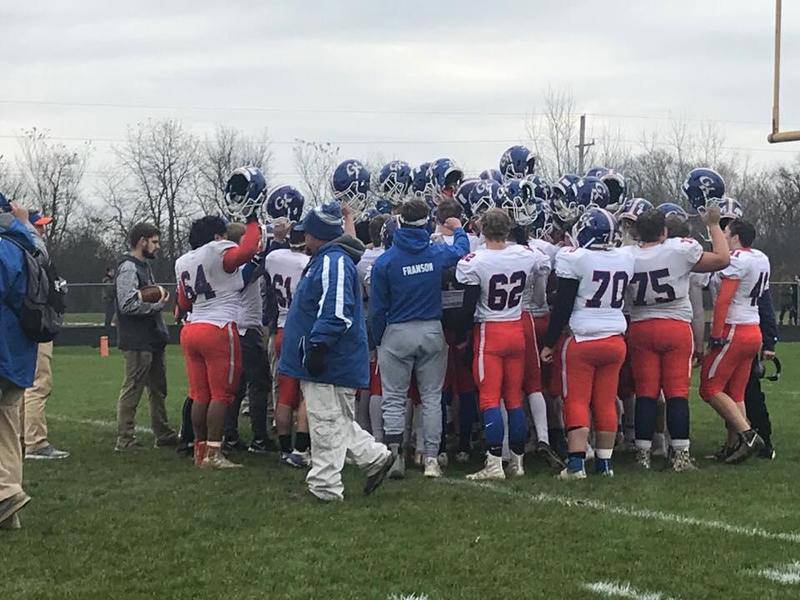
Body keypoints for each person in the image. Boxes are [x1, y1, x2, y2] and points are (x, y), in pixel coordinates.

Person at [279, 201, 394, 502]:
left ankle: (325, 488)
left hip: (330, 358)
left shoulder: (334, 261)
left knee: (326, 422)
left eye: (308, 234)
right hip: (329, 356)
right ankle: (376, 458)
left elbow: (337, 311)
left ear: (319, 235)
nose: (305, 239)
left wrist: (318, 345)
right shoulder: (328, 260)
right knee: (336, 420)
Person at [370, 198, 469, 478]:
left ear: (400, 222)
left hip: (397, 331)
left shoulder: (385, 261)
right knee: (431, 397)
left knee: (394, 397)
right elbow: (461, 250)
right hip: (431, 329)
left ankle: (395, 458)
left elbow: (377, 310)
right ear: (426, 222)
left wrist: (378, 340)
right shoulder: (434, 253)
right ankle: (431, 460)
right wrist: (458, 228)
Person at [626, 207, 729, 471]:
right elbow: (721, 258)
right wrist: (714, 225)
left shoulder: (627, 255)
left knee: (646, 394)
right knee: (677, 394)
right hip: (674, 326)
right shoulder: (678, 249)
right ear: (664, 231)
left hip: (640, 328)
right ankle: (680, 455)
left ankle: (643, 454)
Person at [541, 208, 635, 480]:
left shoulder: (576, 258)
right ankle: (605, 464)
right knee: (605, 401)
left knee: (578, 401)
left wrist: (549, 342)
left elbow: (563, 305)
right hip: (615, 340)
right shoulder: (624, 258)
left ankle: (575, 464)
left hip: (584, 339)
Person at [456, 208, 549, 480]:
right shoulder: (524, 254)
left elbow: (468, 303)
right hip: (515, 328)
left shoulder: (475, 261)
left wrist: (462, 337)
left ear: (483, 230)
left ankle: (495, 463)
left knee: (489, 399)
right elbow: (544, 265)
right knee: (513, 399)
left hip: (490, 331)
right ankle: (518, 463)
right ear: (508, 230)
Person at [175, 214, 262, 469]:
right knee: (221, 394)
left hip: (192, 328)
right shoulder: (217, 249)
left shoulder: (183, 261)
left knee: (199, 394)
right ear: (217, 236)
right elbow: (246, 251)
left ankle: (200, 450)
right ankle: (214, 452)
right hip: (218, 326)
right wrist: (253, 221)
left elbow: (182, 303)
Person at [701, 219, 770, 464]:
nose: (722, 238)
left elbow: (723, 300)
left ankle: (748, 435)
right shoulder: (760, 257)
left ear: (736, 237)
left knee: (709, 388)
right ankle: (734, 445)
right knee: (735, 392)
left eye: (726, 233)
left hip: (733, 329)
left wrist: (716, 335)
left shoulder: (738, 260)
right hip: (753, 328)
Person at [114, 222, 177, 451]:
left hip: (153, 337)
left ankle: (163, 433)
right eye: (155, 241)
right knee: (133, 388)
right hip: (137, 339)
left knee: (158, 389)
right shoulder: (129, 268)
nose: (158, 246)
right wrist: (156, 305)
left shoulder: (144, 266)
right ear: (142, 241)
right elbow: (127, 303)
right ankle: (125, 439)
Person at [0, 200, 38, 529]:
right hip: (18, 355)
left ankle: (4, 494)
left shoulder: (3, 249)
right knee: (8, 431)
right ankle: (9, 510)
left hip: (3, 350)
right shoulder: (25, 244)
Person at [222, 222, 274, 455]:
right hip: (245, 330)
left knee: (238, 386)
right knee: (258, 385)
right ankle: (259, 438)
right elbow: (247, 275)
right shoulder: (238, 264)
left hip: (235, 328)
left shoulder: (223, 261)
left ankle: (230, 435)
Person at [21, 210, 70, 460]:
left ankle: (23, 436)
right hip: (35, 325)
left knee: (22, 384)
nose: (43, 231)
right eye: (38, 226)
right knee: (39, 383)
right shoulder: (31, 249)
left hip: (24, 327)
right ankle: (35, 441)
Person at [264, 226, 311, 467]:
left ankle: (284, 449)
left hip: (281, 328)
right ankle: (301, 448)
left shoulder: (274, 258)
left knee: (285, 393)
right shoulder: (309, 263)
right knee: (308, 393)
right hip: (302, 329)